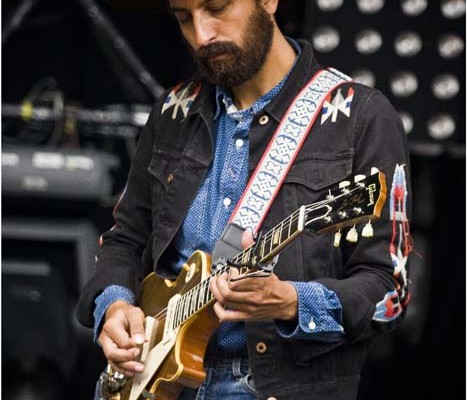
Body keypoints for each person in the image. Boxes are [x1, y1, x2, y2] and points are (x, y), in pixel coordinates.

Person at [76, 1, 414, 399]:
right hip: (156, 380)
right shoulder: (172, 111)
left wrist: (290, 302)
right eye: (184, 17)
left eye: (216, 7)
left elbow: (389, 292)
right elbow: (125, 240)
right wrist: (114, 308)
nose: (202, 36)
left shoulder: (360, 118)